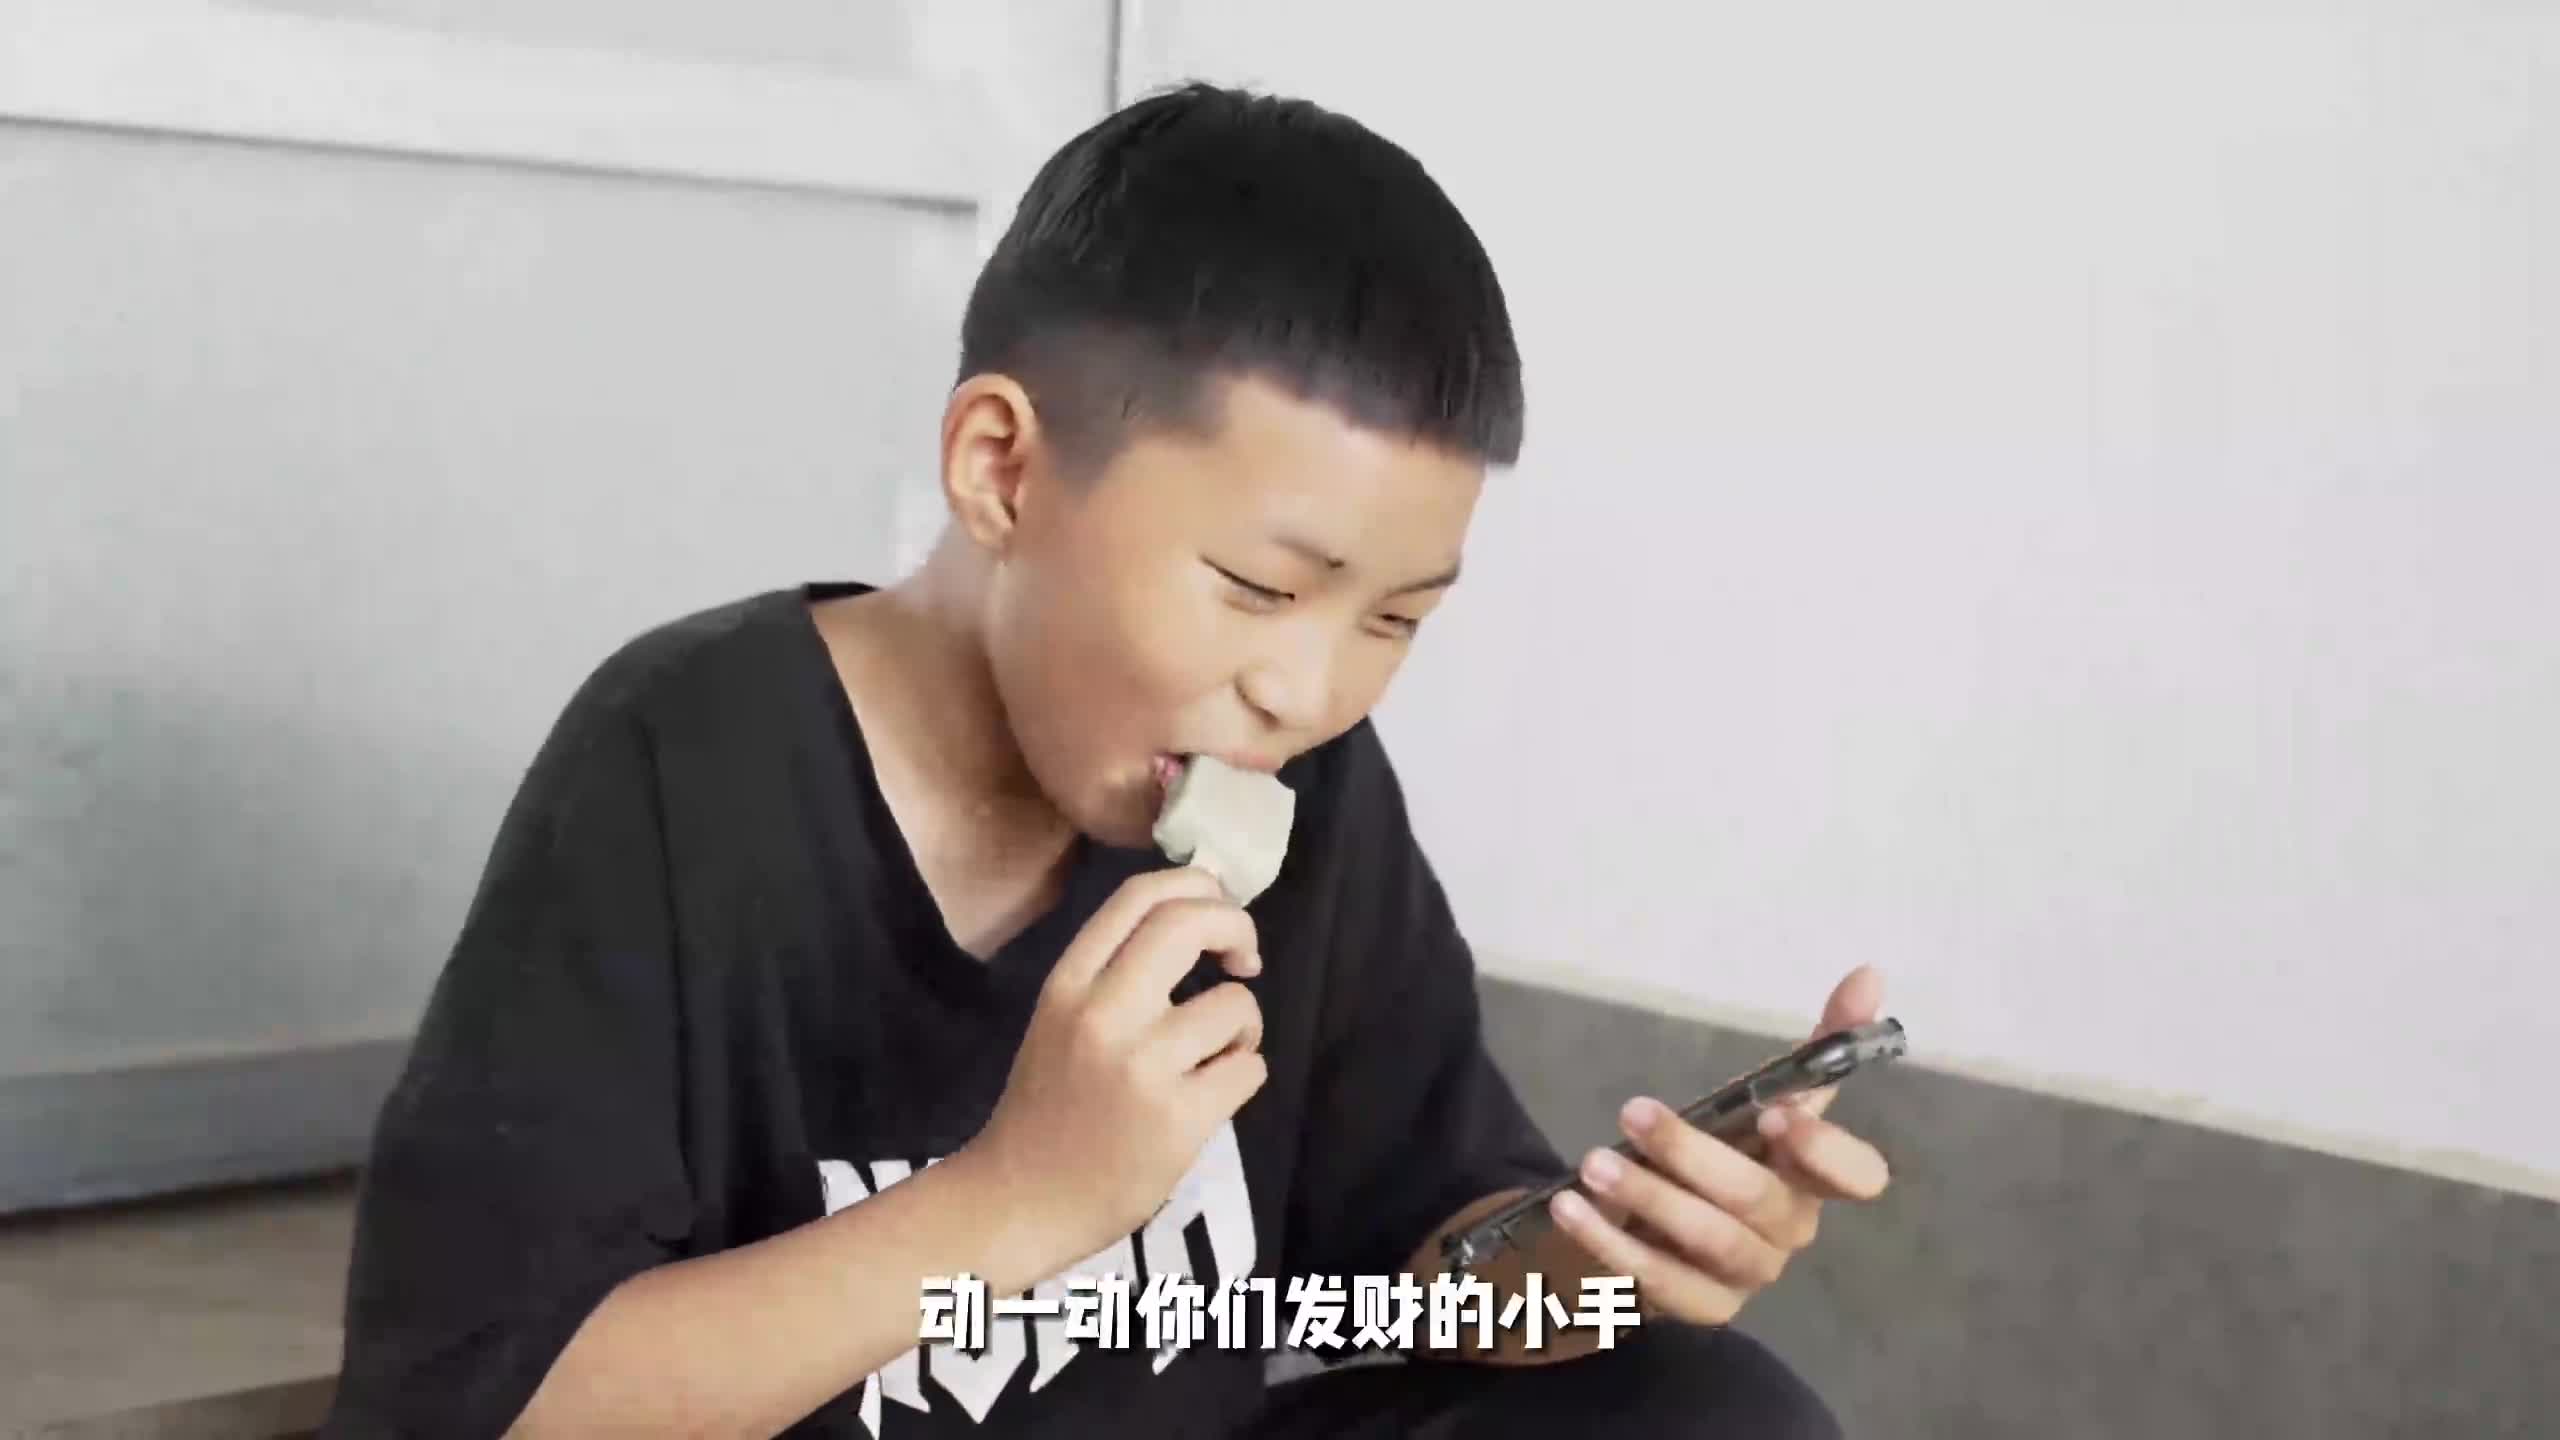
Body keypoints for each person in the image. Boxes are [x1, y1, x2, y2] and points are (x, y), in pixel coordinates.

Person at [323, 82, 1891, 1439]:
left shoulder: (1305, 779)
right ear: (1002, 470)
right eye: (1258, 589)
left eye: (1394, 618)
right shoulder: (690, 765)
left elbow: (1409, 1291)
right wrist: (1018, 1200)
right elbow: (479, 1407)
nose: (1307, 688)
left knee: (1711, 1410)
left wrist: (1597, 1267)